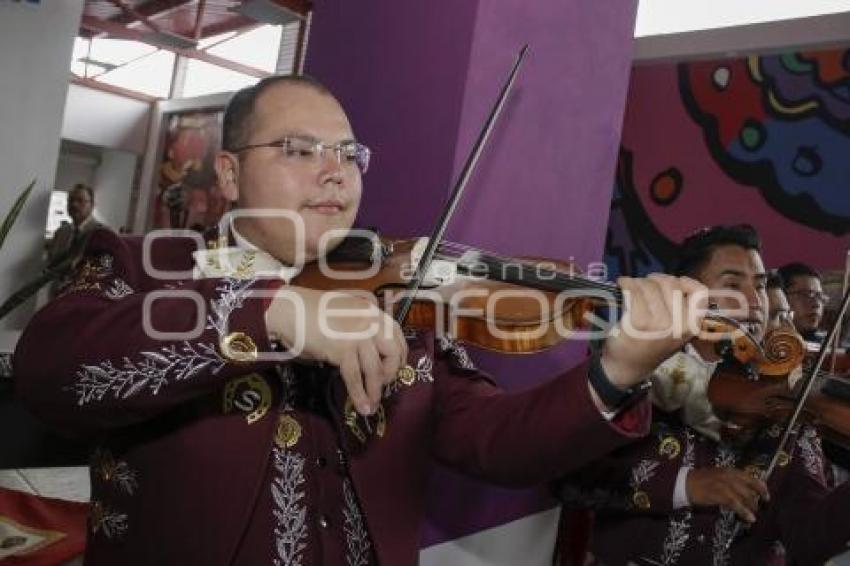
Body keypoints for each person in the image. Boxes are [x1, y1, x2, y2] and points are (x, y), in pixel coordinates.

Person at [15, 75, 706, 565]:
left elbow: (493, 442)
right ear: (227, 174)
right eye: (298, 149)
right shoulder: (149, 265)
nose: (334, 173)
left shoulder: (397, 296)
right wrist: (273, 312)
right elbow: (50, 369)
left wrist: (617, 371)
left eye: (349, 154)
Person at [556, 225, 850, 566]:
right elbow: (571, 479)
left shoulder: (787, 405)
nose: (756, 302)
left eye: (758, 285)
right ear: (686, 297)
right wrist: (686, 484)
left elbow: (809, 537)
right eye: (732, 285)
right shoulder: (635, 375)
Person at [47, 183, 102, 263]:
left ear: (92, 205)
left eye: (80, 200)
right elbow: (51, 261)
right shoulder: (60, 232)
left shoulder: (102, 233)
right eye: (71, 200)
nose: (74, 204)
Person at [776, 262, 827, 343]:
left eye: (819, 296)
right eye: (805, 295)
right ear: (779, 297)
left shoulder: (825, 344)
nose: (816, 304)